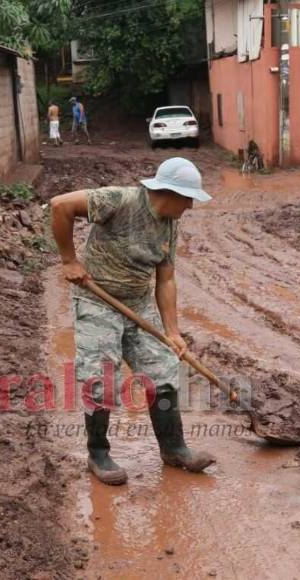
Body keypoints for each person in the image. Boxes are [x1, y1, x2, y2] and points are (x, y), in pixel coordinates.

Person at [50, 158, 215, 485]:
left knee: (163, 369)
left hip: (138, 304)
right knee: (101, 377)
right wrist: (69, 259)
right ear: (170, 192)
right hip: (98, 300)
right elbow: (60, 205)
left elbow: (166, 279)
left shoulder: (169, 224)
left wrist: (172, 331)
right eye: (188, 198)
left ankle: (174, 448)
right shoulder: (120, 200)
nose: (191, 206)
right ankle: (98, 454)